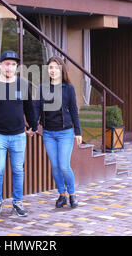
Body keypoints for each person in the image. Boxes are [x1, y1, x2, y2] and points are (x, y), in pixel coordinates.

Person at [0, 50, 37, 218]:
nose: (9, 67)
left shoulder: (23, 85)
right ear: (0, 65)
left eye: (13, 64)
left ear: (16, 66)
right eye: (6, 64)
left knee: (18, 170)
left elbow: (29, 108)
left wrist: (33, 125)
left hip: (19, 136)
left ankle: (17, 202)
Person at [35, 56, 82, 208]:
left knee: (63, 165)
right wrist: (32, 126)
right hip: (48, 133)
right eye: (50, 68)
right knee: (55, 166)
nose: (53, 70)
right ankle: (62, 194)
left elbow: (74, 110)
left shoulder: (68, 88)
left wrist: (78, 132)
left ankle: (72, 194)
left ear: (61, 69)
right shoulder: (42, 88)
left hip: (65, 133)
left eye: (56, 67)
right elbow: (36, 109)